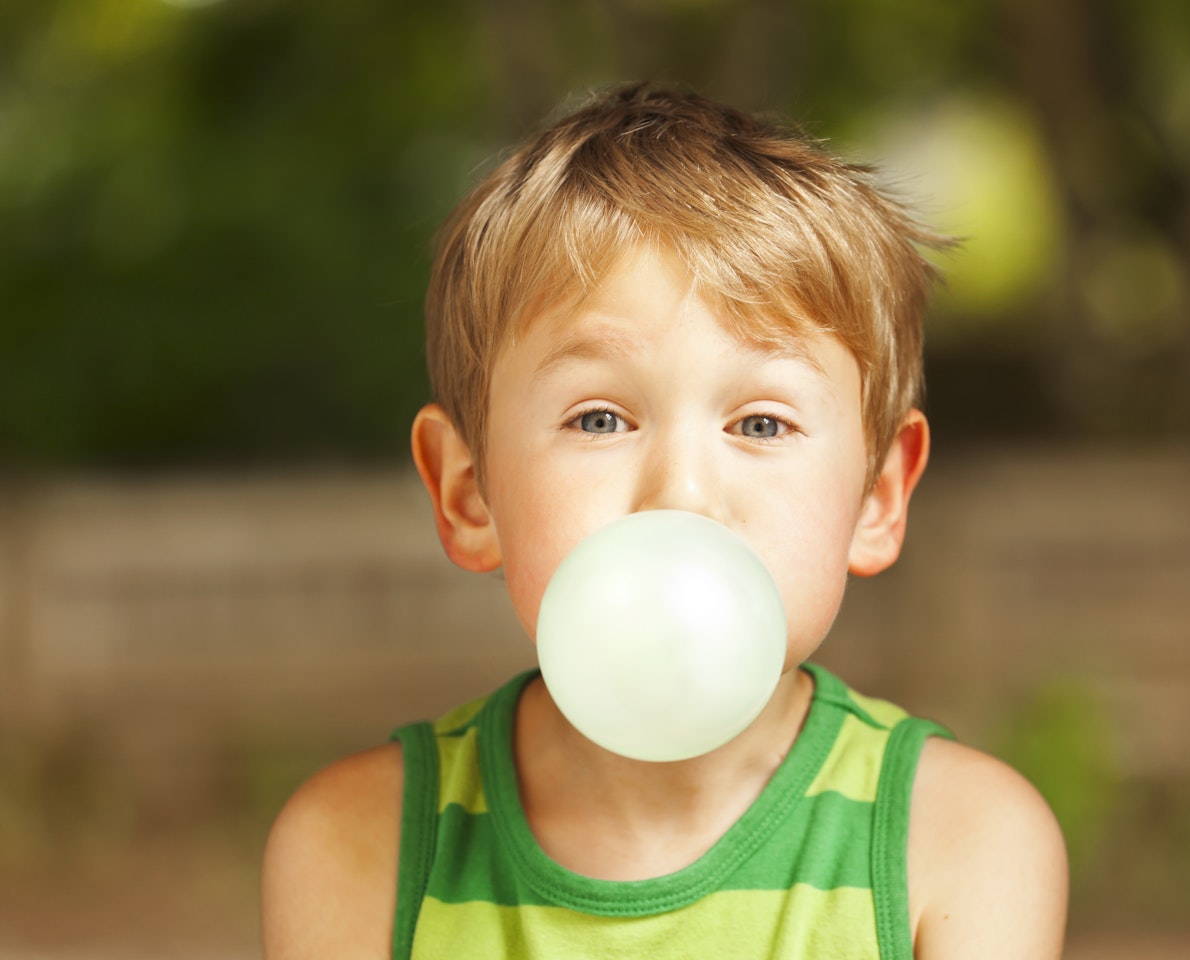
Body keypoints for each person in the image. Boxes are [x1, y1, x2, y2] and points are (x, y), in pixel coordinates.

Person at [261, 83, 1068, 959]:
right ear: (467, 491)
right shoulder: (359, 848)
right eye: (599, 419)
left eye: (761, 423)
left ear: (877, 497)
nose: (681, 492)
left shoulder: (957, 846)